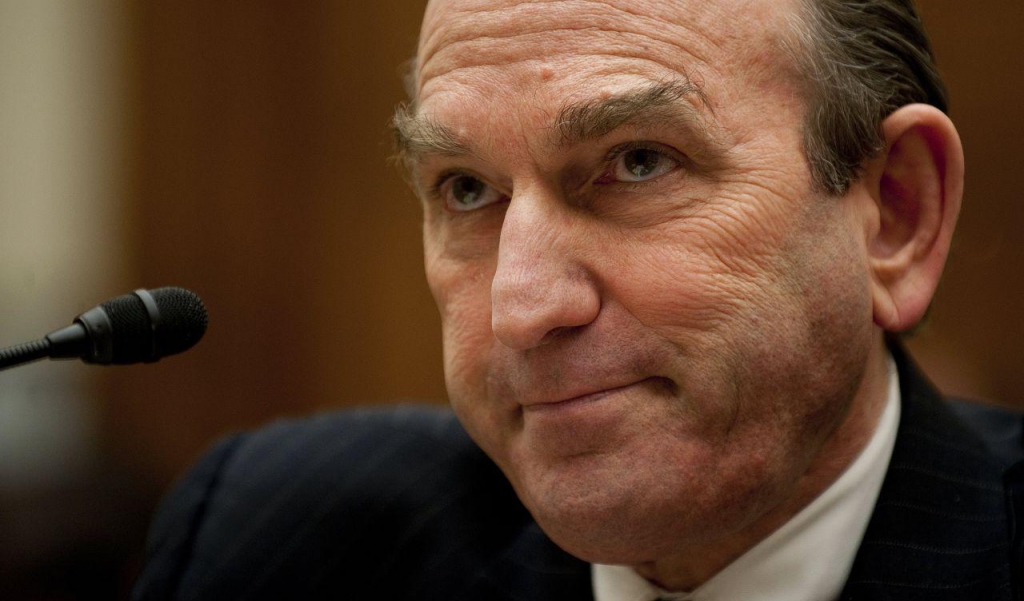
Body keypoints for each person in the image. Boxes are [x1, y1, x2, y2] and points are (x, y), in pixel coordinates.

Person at [133, 0, 1024, 599]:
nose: (519, 308)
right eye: (466, 190)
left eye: (639, 162)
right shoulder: (270, 543)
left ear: (895, 215)